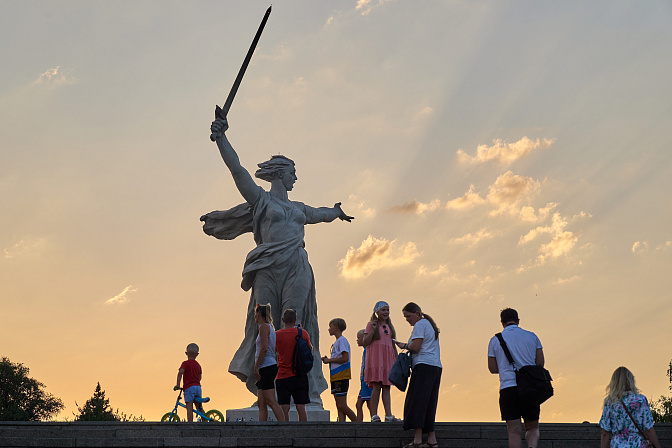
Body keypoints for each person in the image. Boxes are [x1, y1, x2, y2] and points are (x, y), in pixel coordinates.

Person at [202, 118, 353, 404]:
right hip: (267, 267)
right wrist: (221, 138)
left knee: (293, 327)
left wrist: (335, 211)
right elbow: (237, 170)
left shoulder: (298, 208)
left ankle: (300, 393)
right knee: (266, 329)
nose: (295, 178)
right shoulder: (261, 200)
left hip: (296, 264)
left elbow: (321, 213)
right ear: (280, 174)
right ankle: (266, 395)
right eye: (292, 173)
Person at [487, 308, 545, 448]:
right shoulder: (532, 337)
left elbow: (493, 369)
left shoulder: (495, 340)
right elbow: (540, 363)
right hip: (529, 388)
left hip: (508, 387)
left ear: (502, 322)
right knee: (532, 427)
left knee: (514, 431)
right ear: (518, 320)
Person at [394, 302, 442, 448]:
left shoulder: (420, 325)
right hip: (436, 366)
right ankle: (432, 440)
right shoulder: (430, 325)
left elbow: (416, 347)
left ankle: (417, 440)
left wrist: (402, 345)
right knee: (429, 402)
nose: (407, 319)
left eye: (408, 316)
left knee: (417, 402)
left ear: (416, 313)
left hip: (423, 366)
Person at [599, 366, 661, 448]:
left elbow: (605, 432)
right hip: (637, 444)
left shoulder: (610, 401)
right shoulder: (641, 400)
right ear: (631, 380)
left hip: (617, 445)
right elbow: (649, 429)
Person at [362, 301, 399, 422]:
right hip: (376, 360)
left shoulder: (390, 327)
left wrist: (397, 360)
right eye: (383, 310)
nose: (386, 312)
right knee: (376, 386)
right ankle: (374, 415)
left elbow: (393, 345)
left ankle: (388, 415)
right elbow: (364, 343)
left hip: (387, 360)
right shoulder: (371, 325)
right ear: (377, 312)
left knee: (387, 386)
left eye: (388, 310)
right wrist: (372, 330)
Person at [275, 308, 312, 421]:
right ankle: (303, 433)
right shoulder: (303, 333)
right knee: (301, 407)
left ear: (283, 320)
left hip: (283, 375)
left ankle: (286, 432)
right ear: (295, 320)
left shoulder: (277, 334)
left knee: (284, 407)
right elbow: (309, 350)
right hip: (300, 374)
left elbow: (276, 350)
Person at [321, 318, 357, 422]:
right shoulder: (337, 342)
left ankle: (357, 423)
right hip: (335, 376)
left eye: (330, 327)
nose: (329, 329)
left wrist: (329, 360)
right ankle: (341, 424)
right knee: (338, 405)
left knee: (342, 404)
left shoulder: (342, 340)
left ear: (336, 328)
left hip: (341, 375)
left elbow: (345, 358)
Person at [254, 303, 286, 421]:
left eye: (255, 314)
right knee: (261, 402)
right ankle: (261, 427)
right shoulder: (269, 327)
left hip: (266, 366)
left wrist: (256, 366)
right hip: (267, 366)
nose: (254, 316)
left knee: (270, 400)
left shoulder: (263, 327)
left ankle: (284, 425)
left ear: (258, 314)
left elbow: (264, 348)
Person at [175, 343, 210, 422]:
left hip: (189, 387)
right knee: (199, 406)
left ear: (186, 353)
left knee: (189, 406)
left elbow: (180, 372)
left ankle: (190, 423)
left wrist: (177, 384)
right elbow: (200, 377)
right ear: (197, 355)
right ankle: (205, 420)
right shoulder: (198, 365)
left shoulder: (185, 363)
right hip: (198, 387)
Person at [355, 329, 373, 422]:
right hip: (363, 380)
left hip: (366, 380)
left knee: (368, 403)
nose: (357, 340)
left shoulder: (368, 350)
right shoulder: (366, 351)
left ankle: (373, 419)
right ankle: (359, 423)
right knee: (359, 404)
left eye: (359, 338)